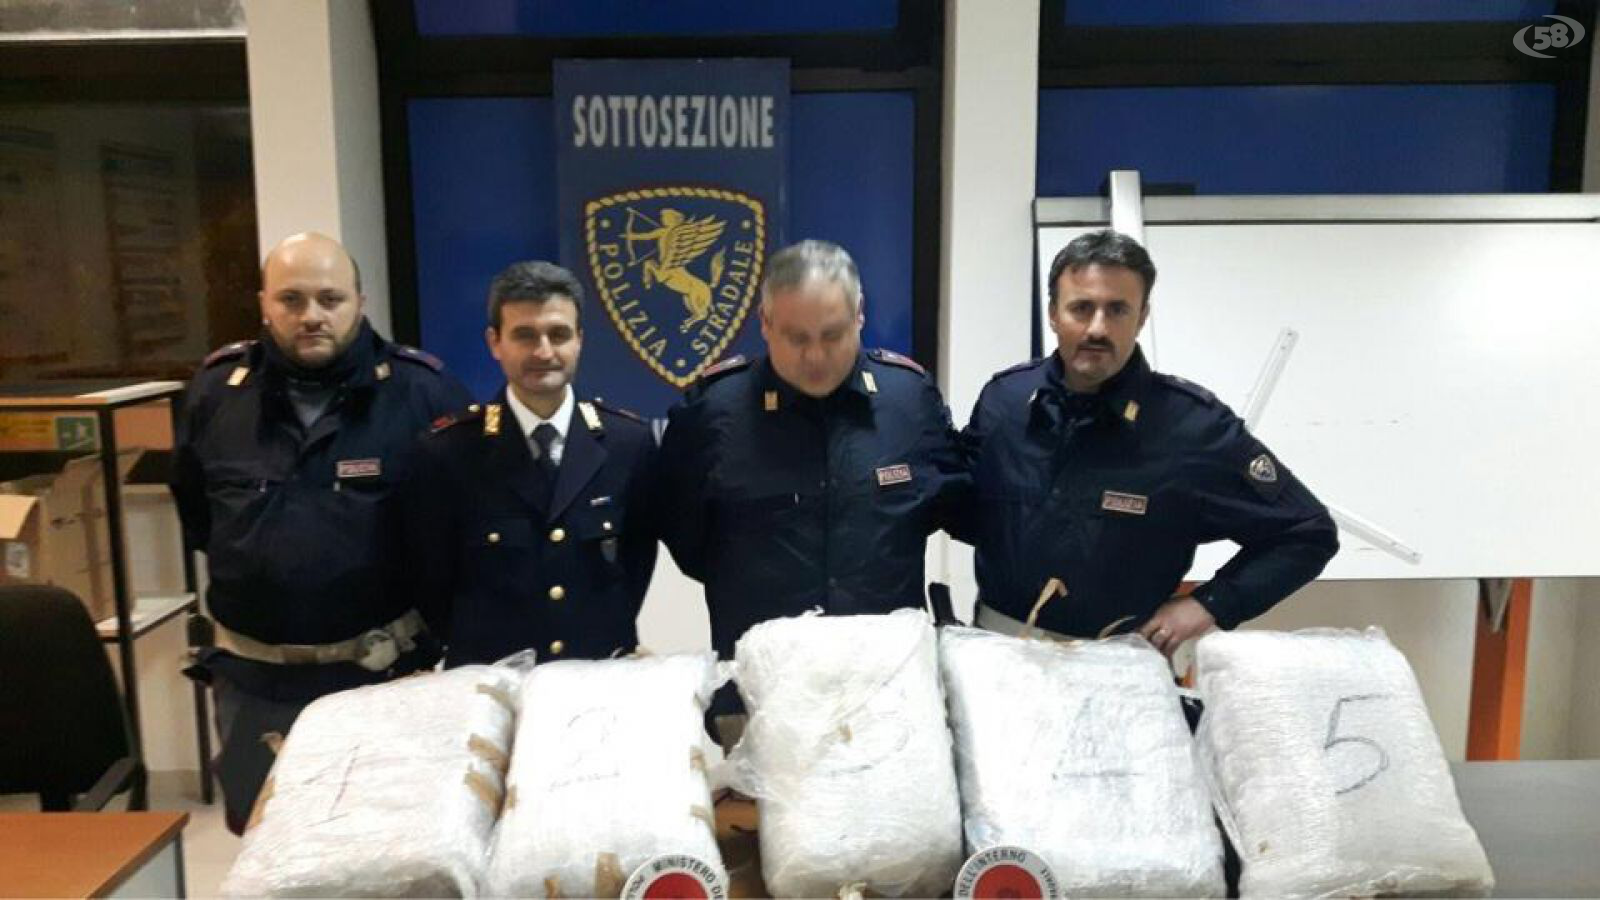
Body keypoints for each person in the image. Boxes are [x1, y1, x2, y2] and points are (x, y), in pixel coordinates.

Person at [171, 231, 472, 833]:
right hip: (256, 682)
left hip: (384, 677)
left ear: (360, 301)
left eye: (330, 299)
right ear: (264, 304)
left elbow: (462, 528)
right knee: (266, 846)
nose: (312, 315)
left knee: (386, 847)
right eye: (292, 299)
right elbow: (199, 516)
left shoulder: (422, 393)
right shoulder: (216, 394)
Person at [963, 229, 1338, 653]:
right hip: (999, 653)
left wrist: (1209, 604)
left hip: (1121, 665)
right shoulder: (1006, 402)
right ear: (1053, 313)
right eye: (1081, 308)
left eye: (1117, 310)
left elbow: (1306, 532)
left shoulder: (1192, 427)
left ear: (1141, 317)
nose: (1097, 328)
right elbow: (959, 505)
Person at [657, 239, 968, 676]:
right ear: (765, 323)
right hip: (762, 678)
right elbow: (686, 540)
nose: (816, 356)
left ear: (859, 314)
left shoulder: (910, 403)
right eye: (797, 338)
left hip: (886, 677)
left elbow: (944, 506)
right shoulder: (712, 415)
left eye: (833, 335)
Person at [404, 261, 657, 667]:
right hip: (489, 682)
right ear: (495, 342)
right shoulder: (447, 452)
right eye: (524, 335)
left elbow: (637, 563)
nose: (543, 352)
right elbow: (431, 582)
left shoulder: (628, 444)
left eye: (558, 334)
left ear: (580, 340)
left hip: (597, 676)